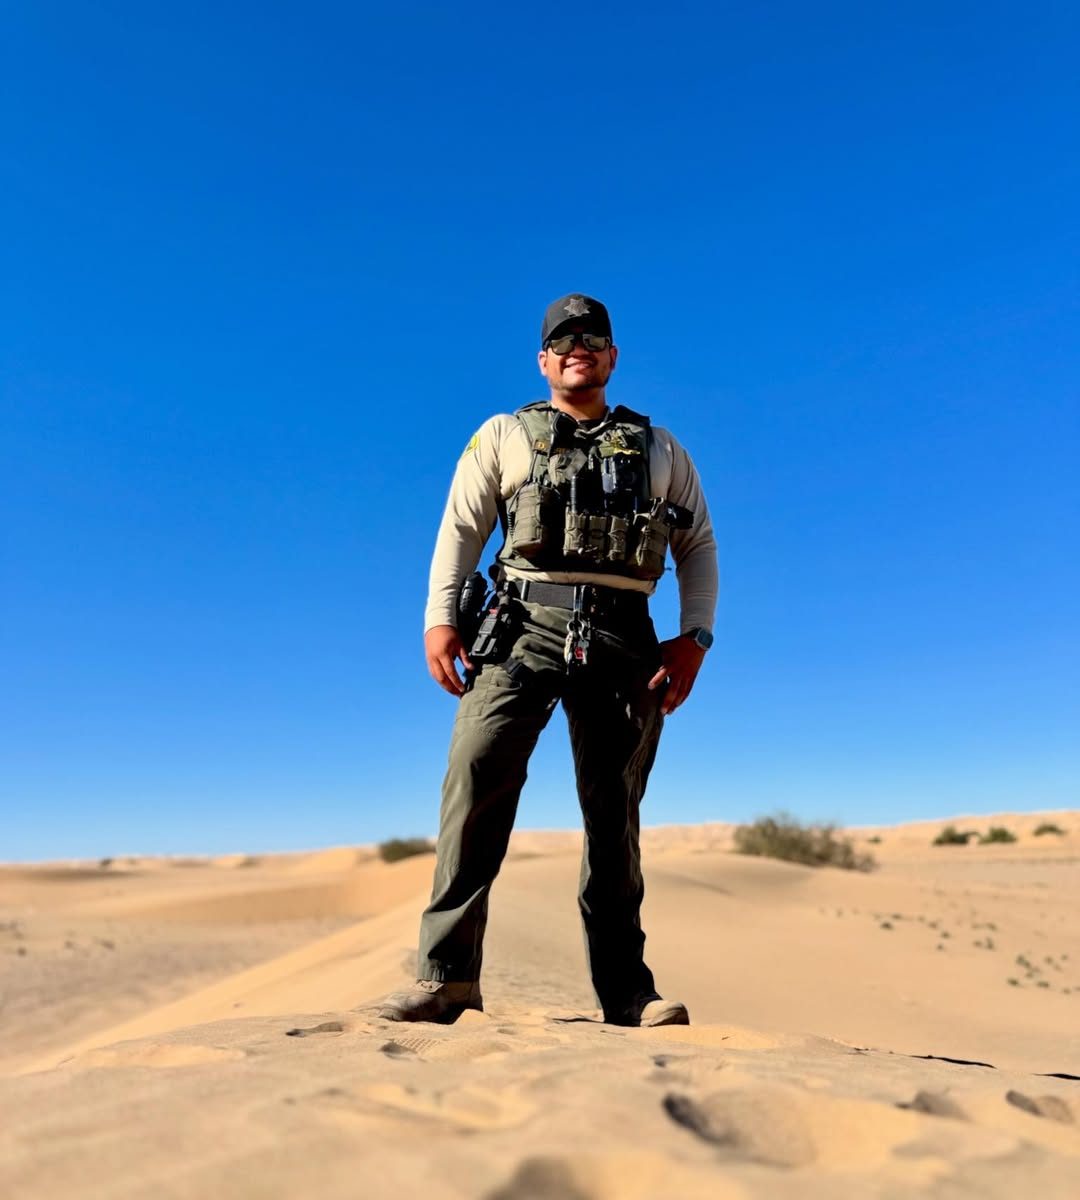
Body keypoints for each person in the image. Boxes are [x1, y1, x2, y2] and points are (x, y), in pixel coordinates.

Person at [378, 293, 718, 1026]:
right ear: (544, 359)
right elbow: (460, 529)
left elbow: (698, 547)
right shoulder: (503, 435)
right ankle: (446, 978)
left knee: (613, 816)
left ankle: (629, 993)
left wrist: (693, 638)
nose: (578, 348)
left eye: (593, 338)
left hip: (626, 636)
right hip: (521, 625)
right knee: (474, 779)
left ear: (612, 356)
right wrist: (440, 620)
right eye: (564, 340)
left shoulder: (661, 450)